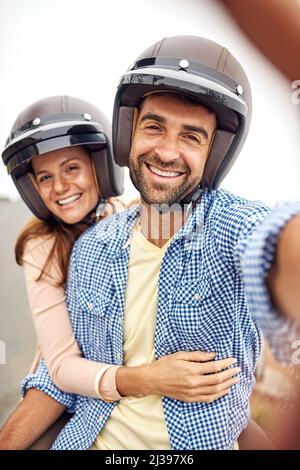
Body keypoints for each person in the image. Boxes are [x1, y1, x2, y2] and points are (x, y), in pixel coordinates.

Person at [2, 35, 297, 450]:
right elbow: (64, 368)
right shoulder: (91, 247)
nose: (166, 152)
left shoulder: (232, 223)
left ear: (214, 154)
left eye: (191, 137)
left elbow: (271, 241)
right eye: (155, 127)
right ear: (129, 133)